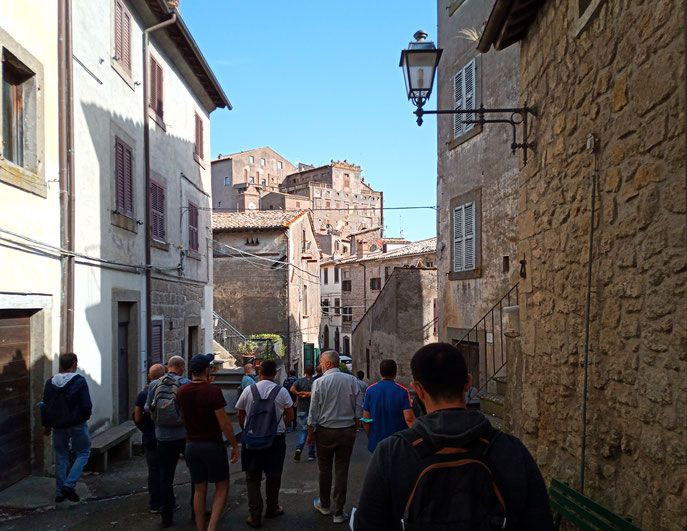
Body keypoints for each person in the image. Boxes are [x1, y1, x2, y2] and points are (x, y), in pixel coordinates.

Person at [353, 343, 553, 530]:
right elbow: (540, 521)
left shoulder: (391, 453)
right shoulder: (512, 450)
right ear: (468, 383)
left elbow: (368, 524)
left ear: (418, 390)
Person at [177, 354, 240, 531]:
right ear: (206, 370)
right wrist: (234, 445)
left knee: (199, 489)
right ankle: (211, 527)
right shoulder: (213, 391)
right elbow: (224, 423)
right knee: (222, 485)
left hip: (191, 445)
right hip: (212, 444)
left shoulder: (182, 391)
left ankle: (200, 527)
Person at [236, 359, 294, 528]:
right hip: (275, 439)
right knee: (273, 475)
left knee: (252, 478)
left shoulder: (249, 390)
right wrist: (284, 426)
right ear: (275, 374)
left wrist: (246, 430)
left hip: (252, 439)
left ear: (259, 373)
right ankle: (272, 507)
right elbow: (290, 415)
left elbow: (240, 414)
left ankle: (255, 515)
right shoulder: (281, 392)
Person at [307, 350, 363, 524]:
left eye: (322, 362)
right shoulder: (352, 380)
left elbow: (313, 409)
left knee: (324, 470)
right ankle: (338, 512)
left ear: (328, 364)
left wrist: (310, 432)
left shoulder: (320, 382)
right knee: (341, 470)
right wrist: (356, 423)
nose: (321, 365)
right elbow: (358, 405)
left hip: (325, 430)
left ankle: (324, 505)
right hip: (346, 430)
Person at [146, 355, 191, 528]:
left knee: (165, 476)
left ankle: (166, 516)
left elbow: (147, 408)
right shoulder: (185, 384)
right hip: (184, 436)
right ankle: (197, 511)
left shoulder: (154, 384)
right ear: (181, 367)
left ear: (168, 367)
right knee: (195, 472)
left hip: (162, 437)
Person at [41, 353, 92, 503]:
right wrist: (83, 418)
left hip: (58, 424)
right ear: (74, 363)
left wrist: (47, 425)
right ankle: (69, 485)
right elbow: (86, 405)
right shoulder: (79, 381)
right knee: (83, 452)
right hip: (76, 423)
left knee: (61, 456)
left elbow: (45, 404)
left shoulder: (51, 382)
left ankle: (59, 492)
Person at [362, 359, 415, 453]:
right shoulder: (403, 391)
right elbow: (409, 418)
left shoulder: (370, 390)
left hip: (376, 442)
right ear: (396, 372)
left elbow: (366, 419)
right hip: (398, 442)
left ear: (380, 372)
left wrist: (371, 437)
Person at [134, 363, 166, 512]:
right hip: (165, 436)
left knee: (153, 470)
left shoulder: (142, 395)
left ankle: (155, 503)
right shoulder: (167, 391)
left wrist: (145, 429)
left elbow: (137, 418)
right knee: (166, 470)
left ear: (149, 377)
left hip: (149, 437)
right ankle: (168, 503)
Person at [290, 364, 316, 462]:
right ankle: (311, 453)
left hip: (301, 409)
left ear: (305, 372)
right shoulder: (315, 382)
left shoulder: (299, 381)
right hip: (312, 410)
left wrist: (298, 394)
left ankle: (299, 449)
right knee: (311, 431)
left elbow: (292, 389)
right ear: (313, 373)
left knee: (304, 429)